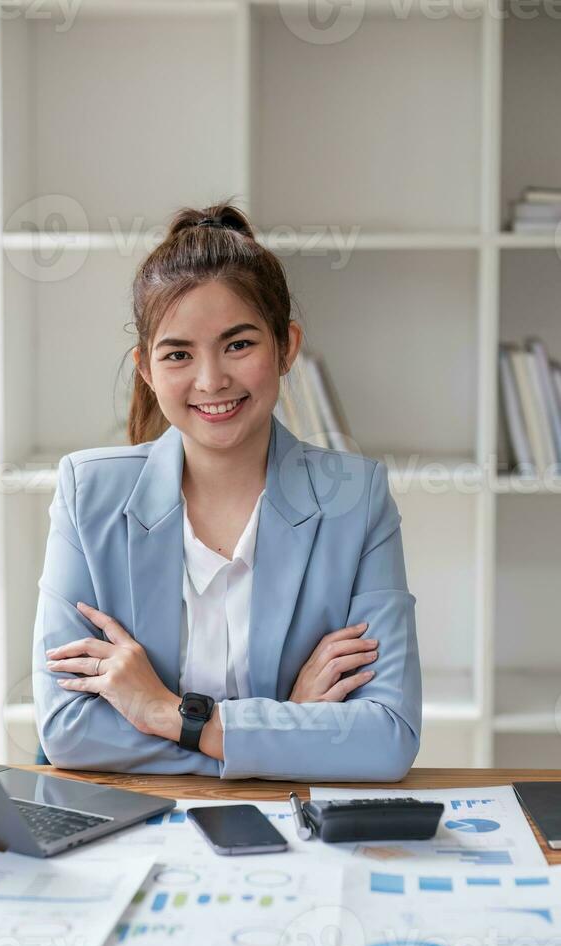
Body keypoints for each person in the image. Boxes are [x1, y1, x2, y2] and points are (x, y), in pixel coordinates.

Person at [32, 199, 422, 781]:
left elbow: (388, 737)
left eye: (239, 345)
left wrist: (171, 715)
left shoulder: (356, 500)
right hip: (137, 826)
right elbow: (68, 730)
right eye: (178, 354)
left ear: (286, 346)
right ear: (146, 368)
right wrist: (289, 727)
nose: (211, 380)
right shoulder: (88, 492)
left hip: (292, 832)